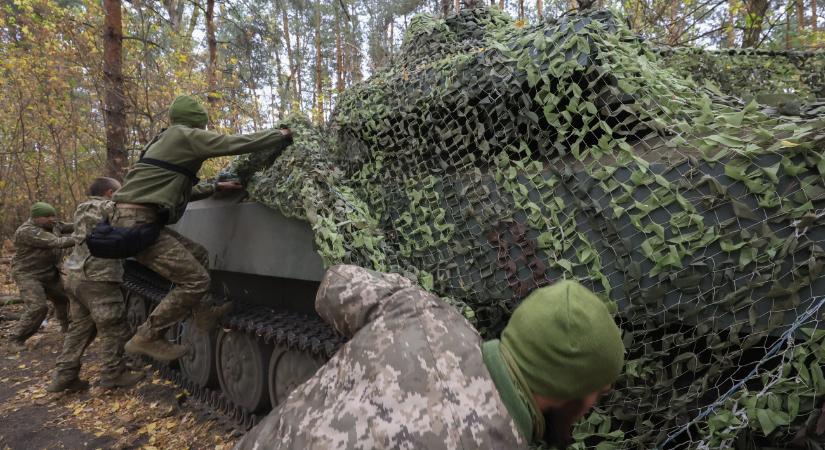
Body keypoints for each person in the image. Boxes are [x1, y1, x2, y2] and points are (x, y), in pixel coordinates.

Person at [236, 265, 625, 449]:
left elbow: (333, 286)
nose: (594, 405)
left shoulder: (424, 314)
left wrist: (380, 340)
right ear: (568, 388)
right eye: (598, 392)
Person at [113, 95, 294, 362]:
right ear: (196, 122)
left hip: (136, 218)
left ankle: (203, 312)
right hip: (138, 221)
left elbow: (172, 192)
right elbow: (232, 144)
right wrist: (279, 135)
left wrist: (214, 187)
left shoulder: (164, 140)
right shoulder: (184, 136)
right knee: (196, 280)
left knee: (198, 255)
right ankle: (147, 336)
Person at [46, 177, 146, 393]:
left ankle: (64, 376)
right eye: (118, 192)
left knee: (80, 329)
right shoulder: (108, 207)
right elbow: (132, 224)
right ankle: (113, 376)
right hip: (98, 276)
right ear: (110, 193)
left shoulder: (82, 208)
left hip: (74, 276)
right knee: (114, 327)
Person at [8, 202, 76, 351]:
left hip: (49, 272)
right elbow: (58, 242)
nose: (52, 219)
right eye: (48, 216)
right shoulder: (27, 231)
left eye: (53, 215)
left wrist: (86, 223)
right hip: (28, 274)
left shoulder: (53, 224)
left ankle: (67, 328)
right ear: (36, 218)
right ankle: (15, 339)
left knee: (64, 298)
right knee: (38, 307)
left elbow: (68, 226)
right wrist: (85, 236)